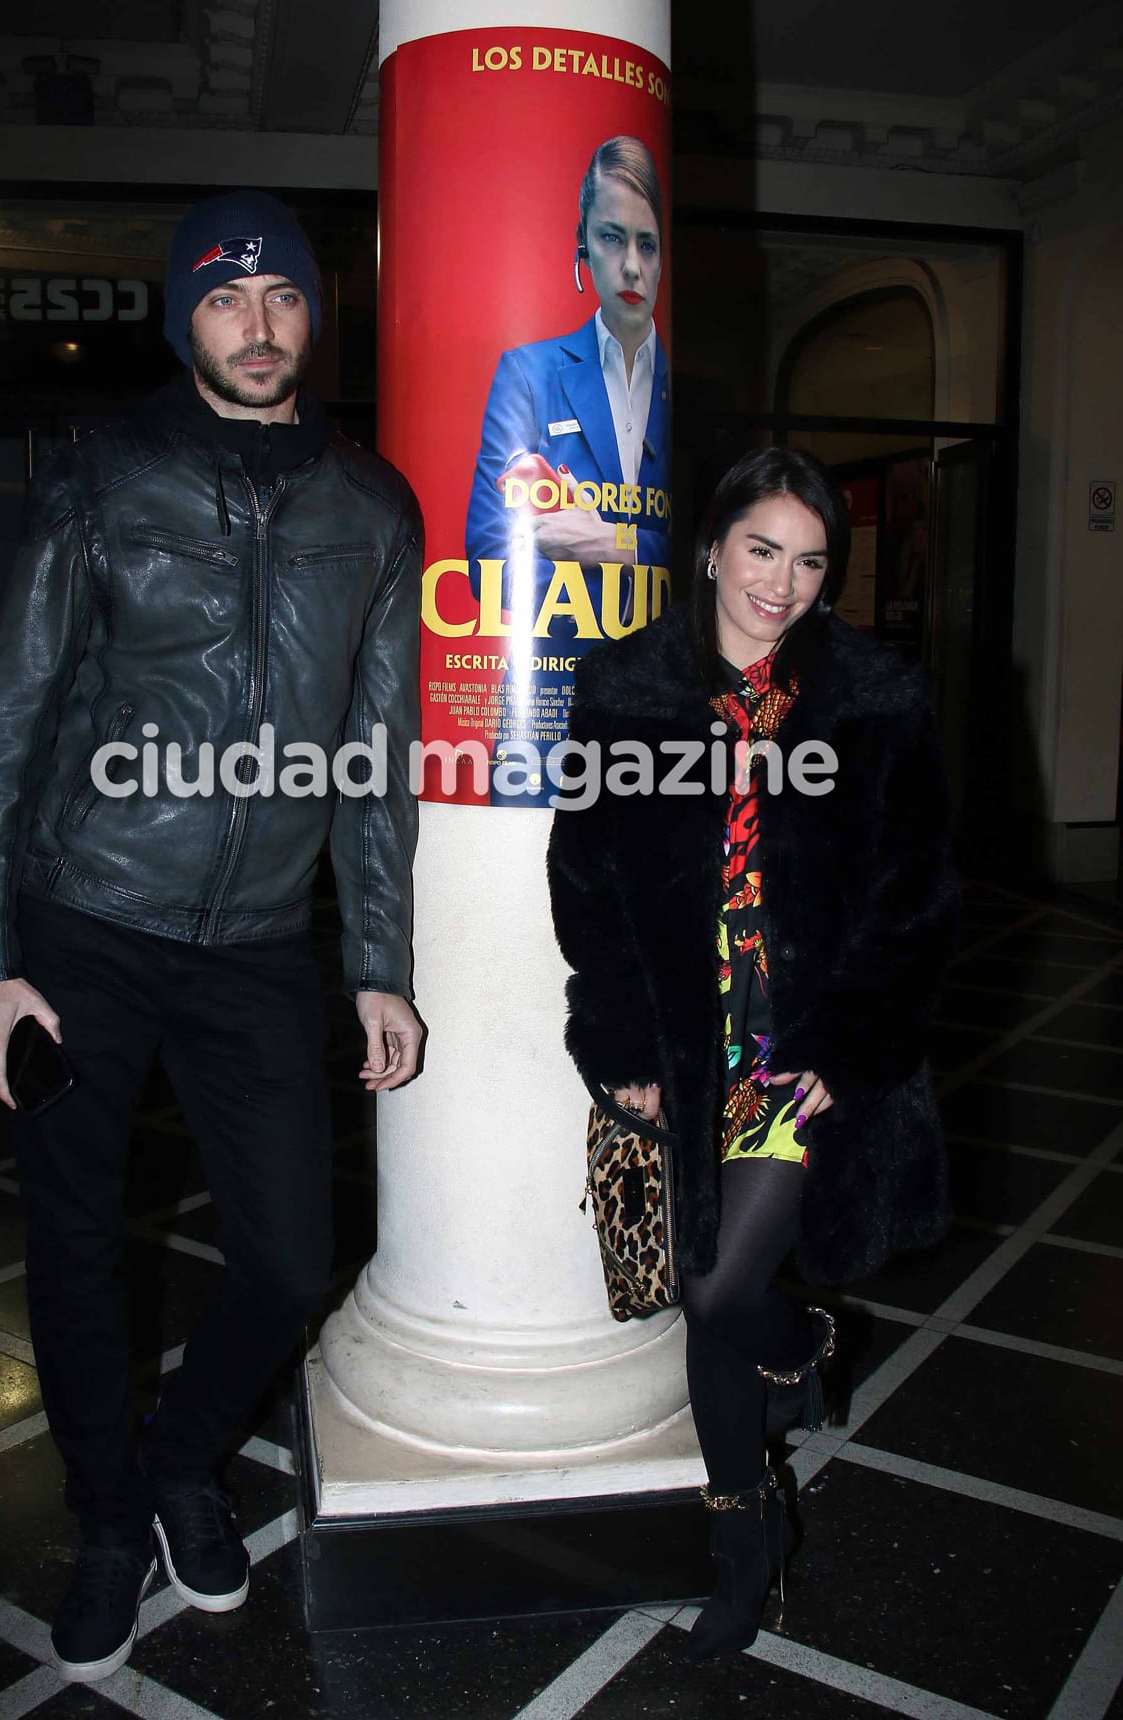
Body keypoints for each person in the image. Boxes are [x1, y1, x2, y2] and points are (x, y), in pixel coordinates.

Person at [0, 189, 423, 1685]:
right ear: (184, 318)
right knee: (78, 1242)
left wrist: (380, 965)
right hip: (83, 923)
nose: (258, 323)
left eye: (279, 295)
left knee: (291, 1258)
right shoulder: (106, 485)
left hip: (262, 944)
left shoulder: (374, 506)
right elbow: (9, 721)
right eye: (226, 299)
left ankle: (174, 1461)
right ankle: (103, 1523)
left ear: (310, 313)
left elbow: (378, 754)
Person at [548, 447, 957, 1660]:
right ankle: (744, 1543)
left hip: (801, 1045)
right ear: (715, 546)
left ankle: (809, 1343)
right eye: (763, 549)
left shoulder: (876, 693)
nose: (781, 583)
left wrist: (854, 1033)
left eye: (811, 559)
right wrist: (615, 1030)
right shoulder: (626, 685)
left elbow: (920, 893)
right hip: (684, 1037)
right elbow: (588, 871)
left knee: (721, 1287)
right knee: (700, 1300)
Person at [465, 135, 670, 803]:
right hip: (545, 720)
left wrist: (609, 541)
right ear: (583, 242)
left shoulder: (686, 391)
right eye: (612, 238)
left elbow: (710, 559)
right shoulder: (530, 371)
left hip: (664, 716)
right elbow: (489, 552)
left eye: (647, 242)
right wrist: (631, 554)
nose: (631, 265)